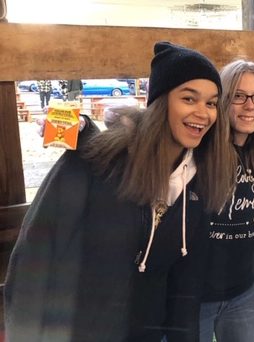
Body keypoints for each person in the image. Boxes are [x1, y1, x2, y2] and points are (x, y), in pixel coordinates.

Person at [4, 41, 233, 342]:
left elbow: (183, 290)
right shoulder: (99, 162)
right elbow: (35, 251)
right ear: (161, 102)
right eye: (189, 99)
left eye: (211, 103)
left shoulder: (199, 182)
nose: (202, 113)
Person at [199, 60, 254, 342]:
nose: (250, 105)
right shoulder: (199, 151)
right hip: (195, 298)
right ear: (223, 101)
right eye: (238, 95)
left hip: (243, 294)